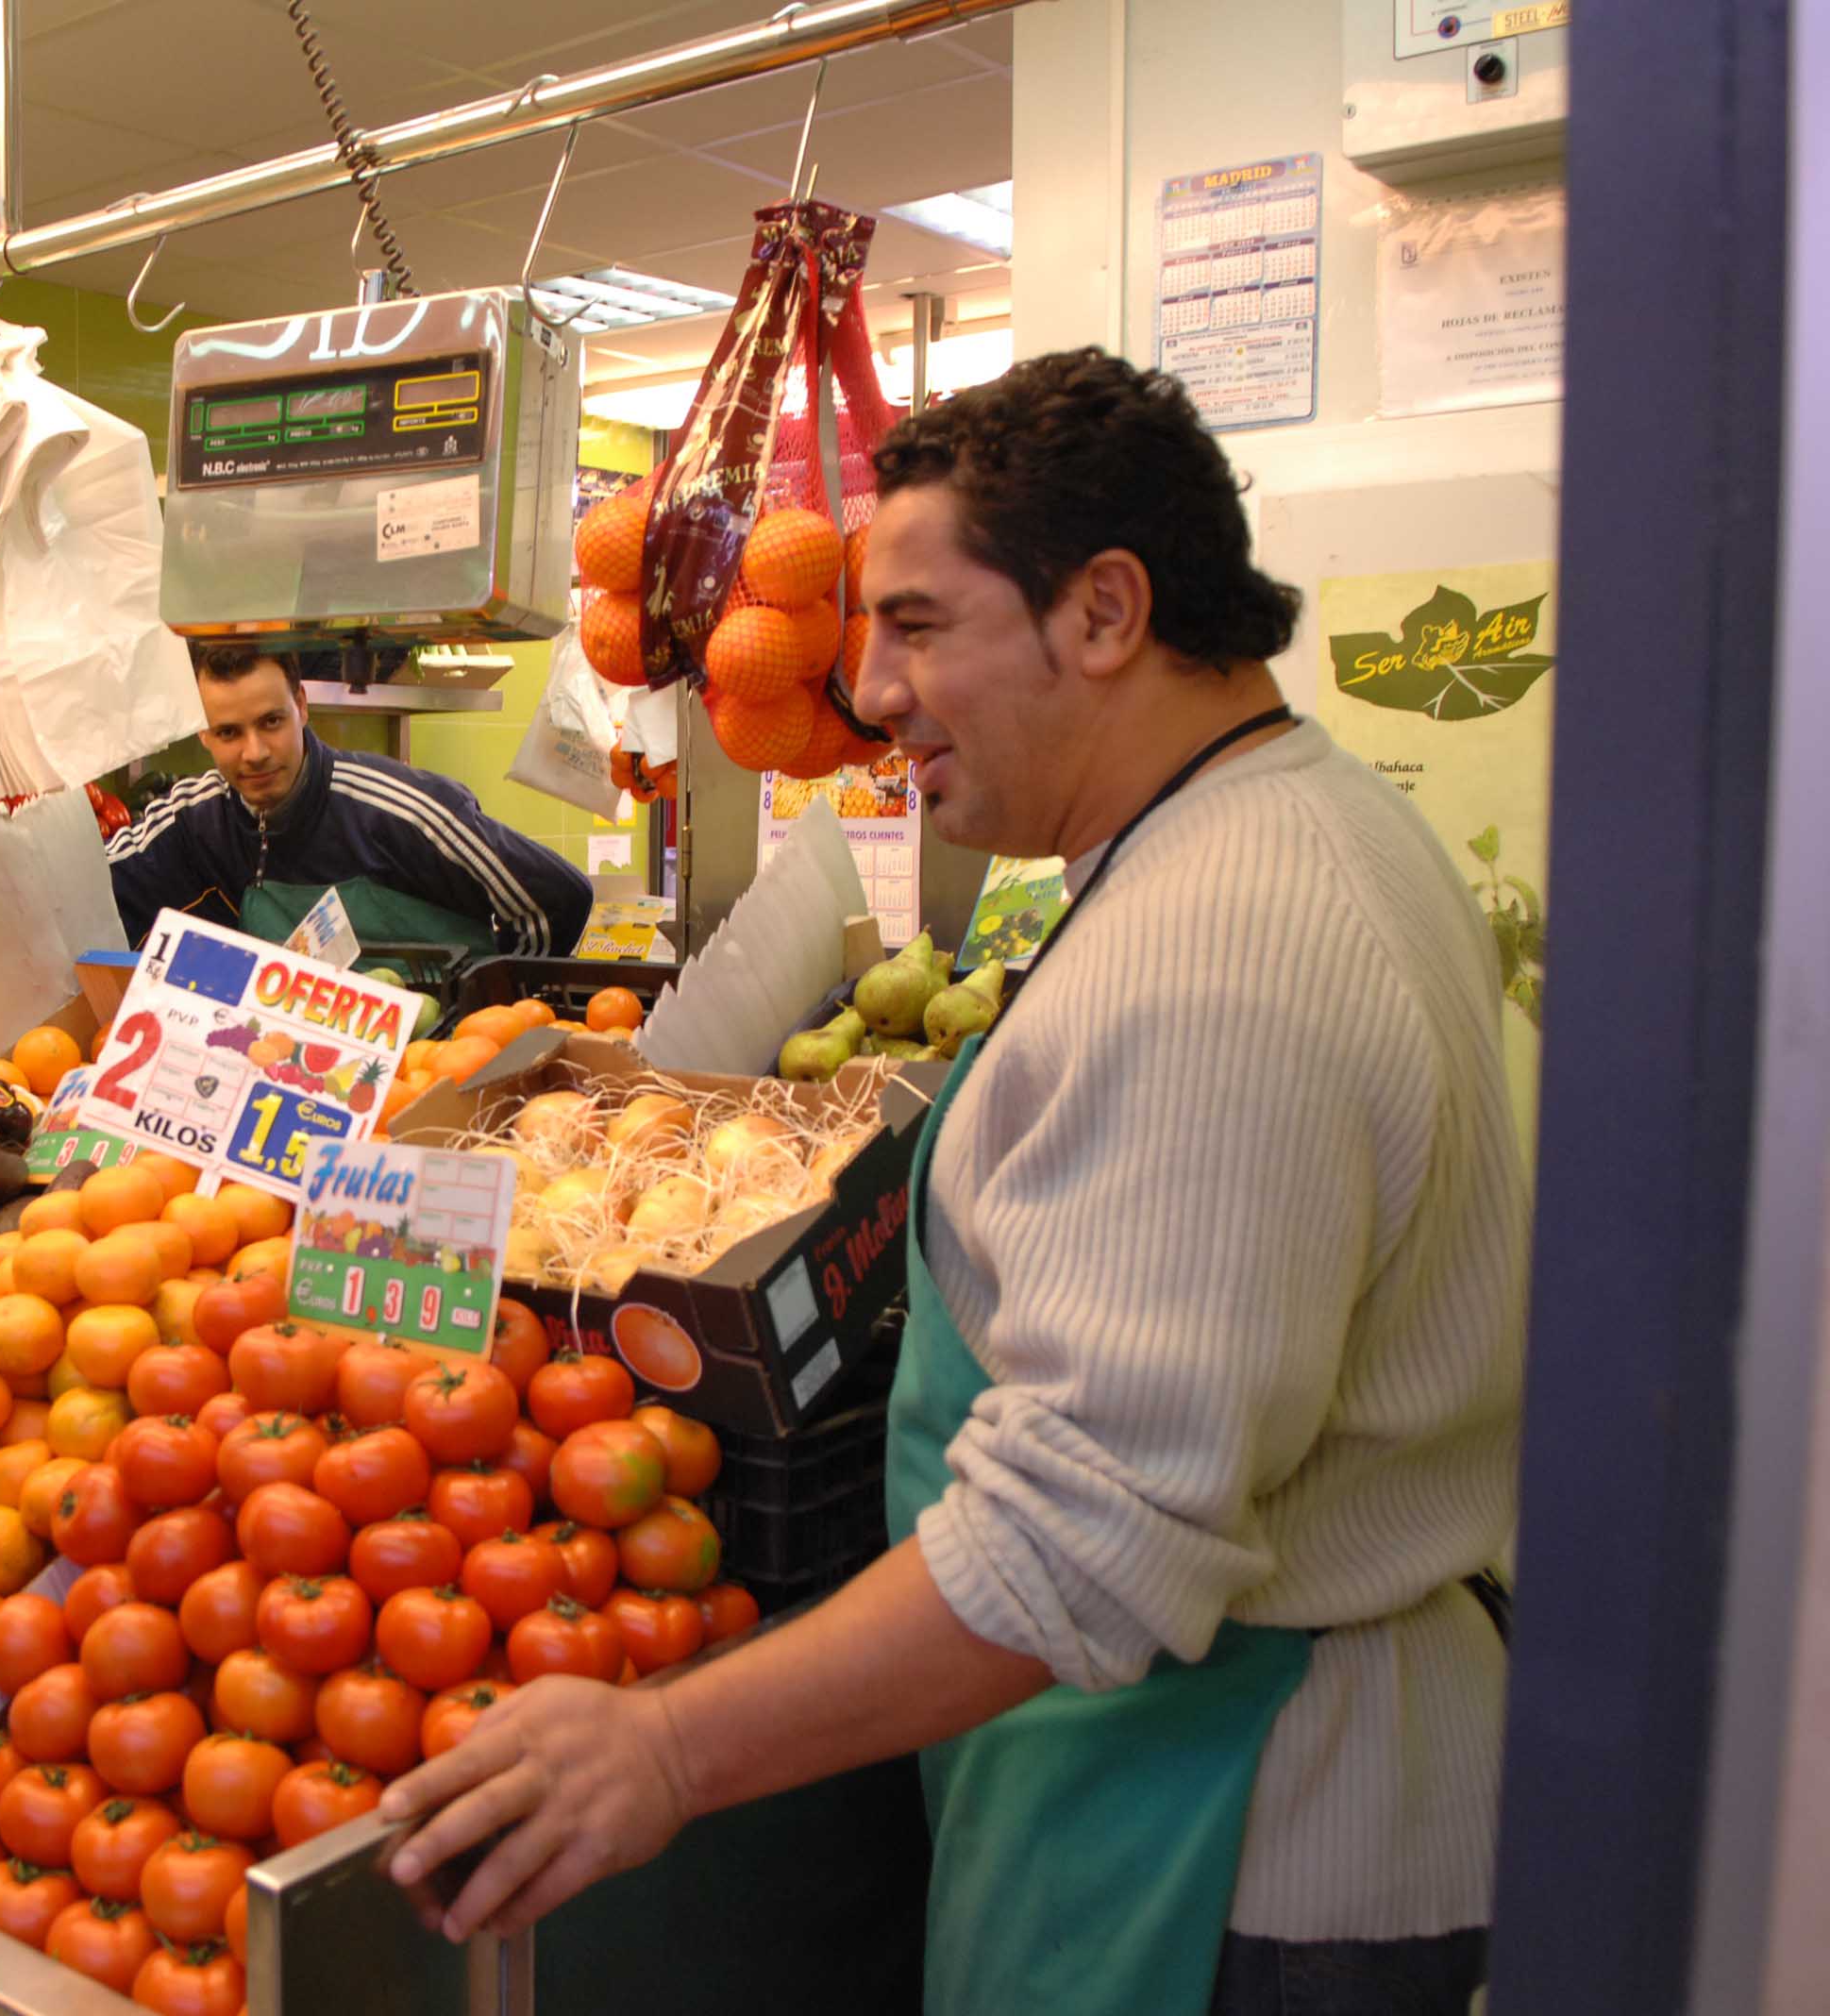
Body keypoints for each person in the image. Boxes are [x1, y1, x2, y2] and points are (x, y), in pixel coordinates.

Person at [381, 348, 1524, 2016]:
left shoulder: (1222, 950)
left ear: (1105, 610)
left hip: (1245, 1847)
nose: (871, 690)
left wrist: (670, 1748)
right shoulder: (1280, 827)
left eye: (918, 626)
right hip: (1160, 1773)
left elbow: (1089, 1535)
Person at [105, 643, 593, 961]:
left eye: (271, 722)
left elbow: (557, 897)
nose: (254, 753)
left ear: (301, 705)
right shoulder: (196, 815)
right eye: (229, 732)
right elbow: (93, 890)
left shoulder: (399, 810)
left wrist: (495, 1010)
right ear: (203, 733)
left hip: (433, 1064)